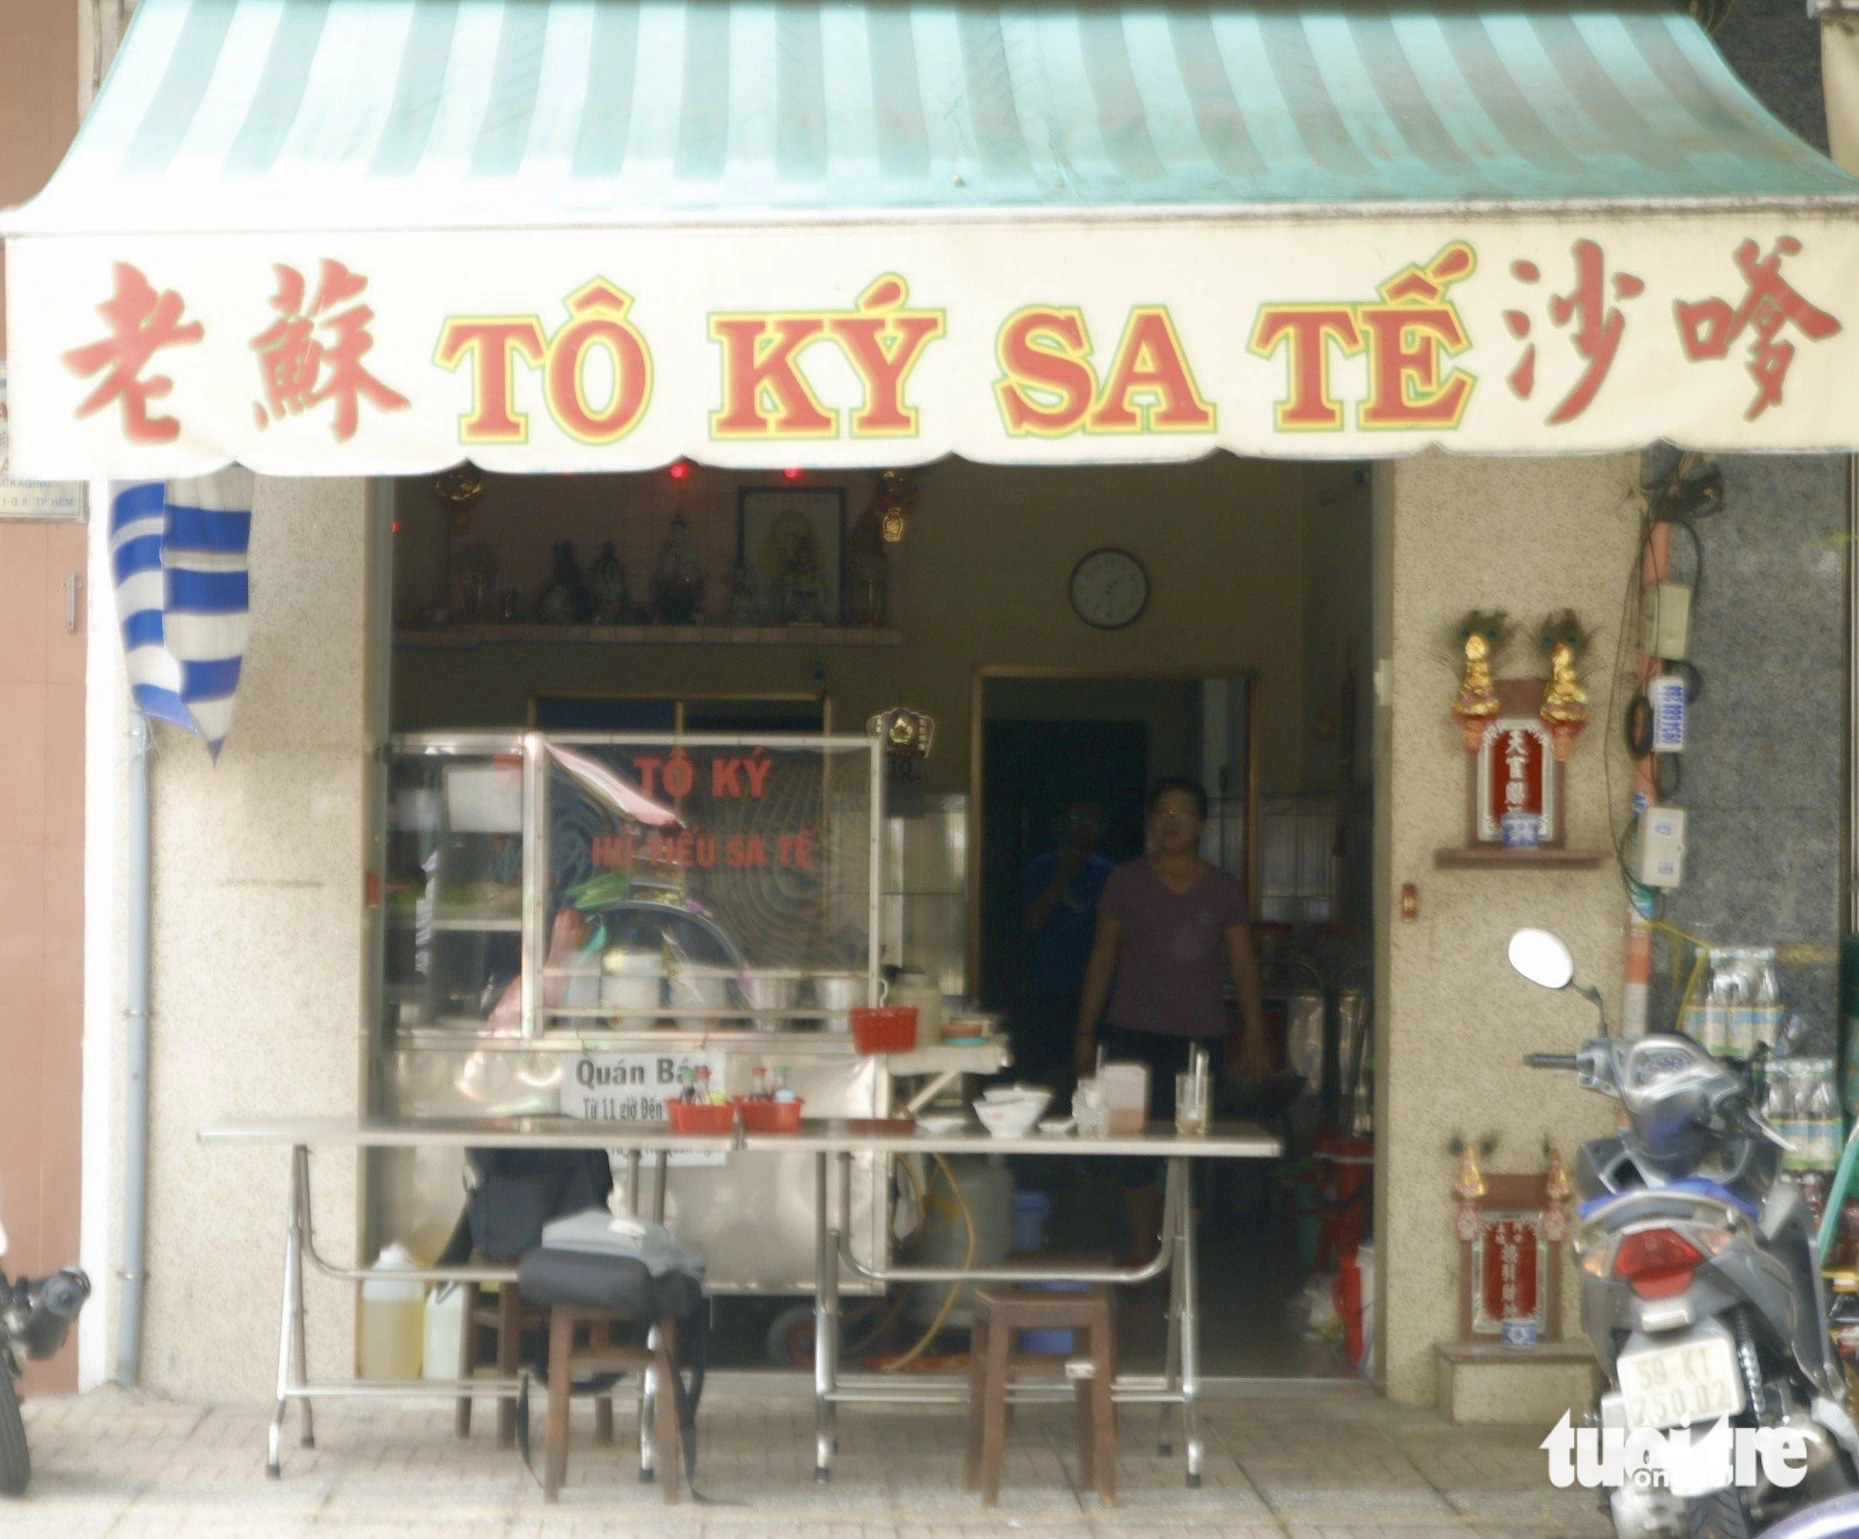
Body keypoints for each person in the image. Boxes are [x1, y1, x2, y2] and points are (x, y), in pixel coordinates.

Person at [1073, 778, 1270, 1262]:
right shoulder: (1125, 880)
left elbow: (1244, 966)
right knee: (1133, 1145)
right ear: (1151, 821)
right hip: (1132, 1032)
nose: (1170, 822)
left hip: (1200, 1037)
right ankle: (1144, 1246)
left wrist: (1256, 1034)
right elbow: (1102, 956)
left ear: (1201, 825)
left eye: (1182, 814)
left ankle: (1182, 1258)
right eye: (1162, 813)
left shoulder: (1224, 889)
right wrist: (1084, 1032)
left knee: (1193, 1147)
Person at [1018, 801, 1115, 1092]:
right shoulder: (1041, 868)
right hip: (1052, 983)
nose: (1082, 827)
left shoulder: (1111, 874)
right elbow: (1034, 921)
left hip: (1101, 987)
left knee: (1095, 1068)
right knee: (1052, 1067)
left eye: (1090, 820)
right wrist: (1063, 874)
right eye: (1076, 819)